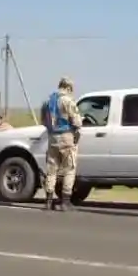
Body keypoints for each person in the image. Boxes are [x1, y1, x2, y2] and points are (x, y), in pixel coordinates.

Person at [41, 76, 83, 211]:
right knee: (69, 169)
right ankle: (65, 201)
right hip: (66, 137)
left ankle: (48, 200)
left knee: (51, 170)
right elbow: (77, 121)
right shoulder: (68, 101)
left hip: (53, 137)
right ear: (68, 87)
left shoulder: (48, 101)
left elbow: (44, 120)